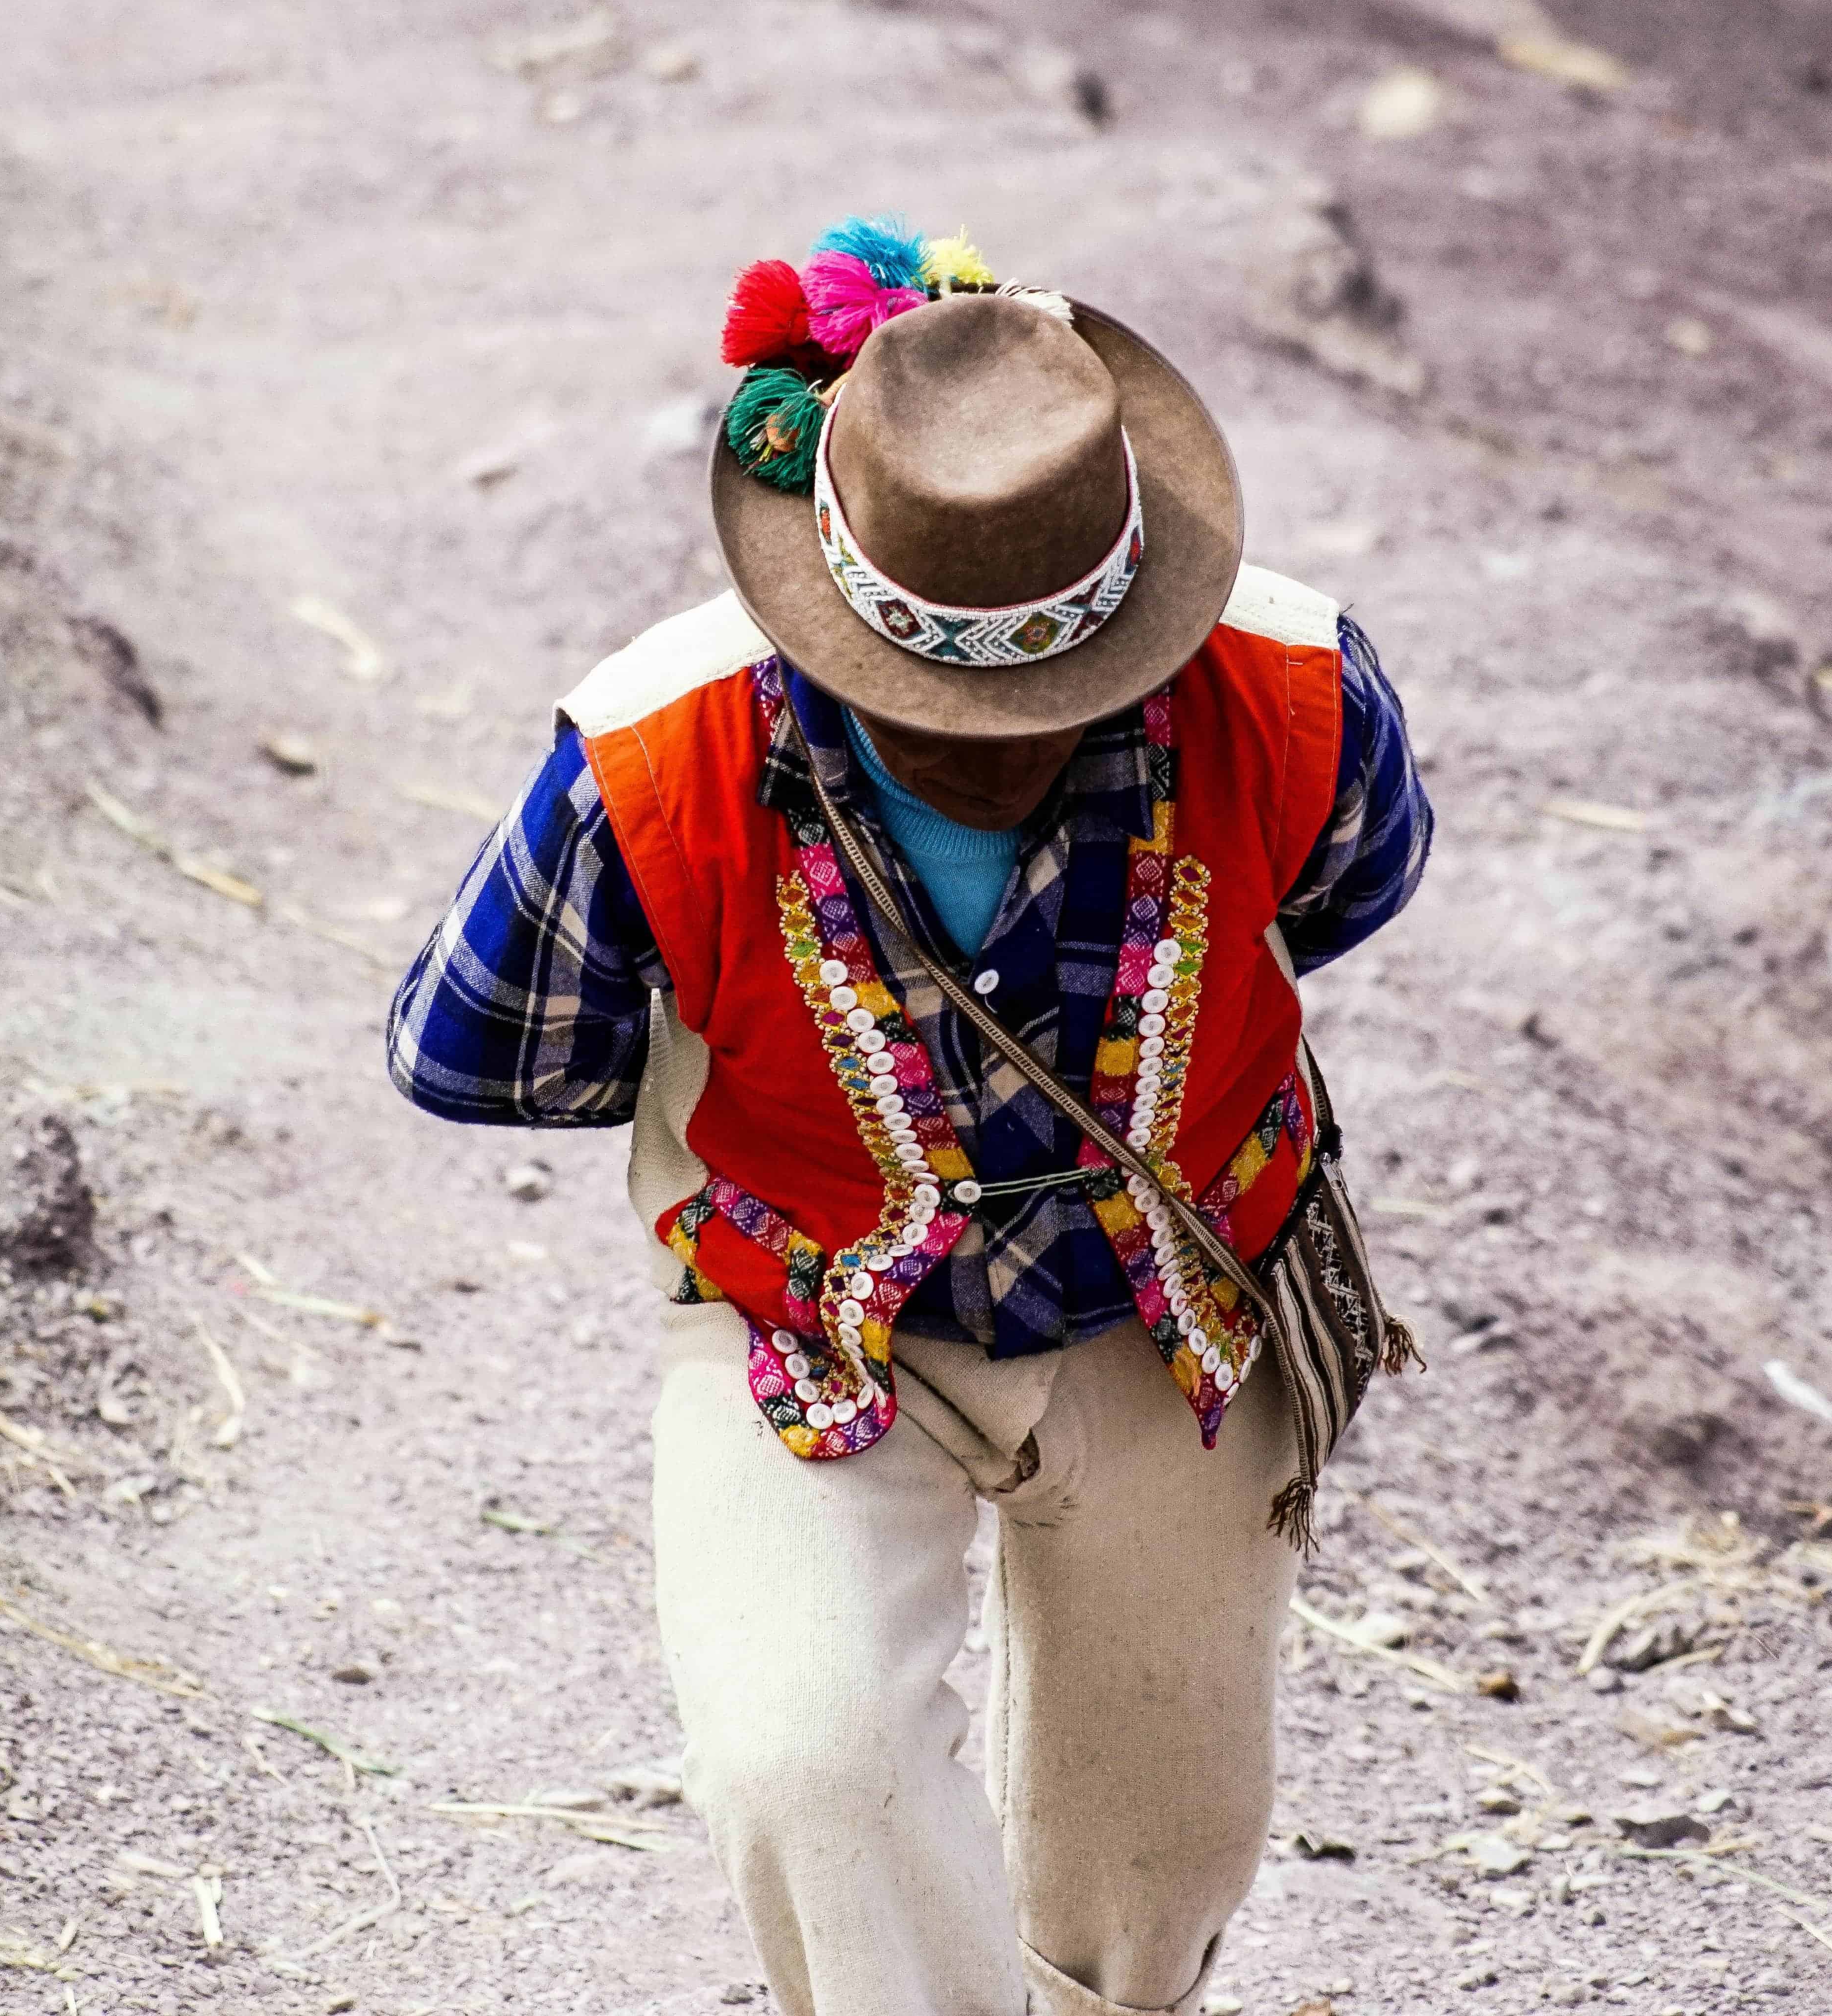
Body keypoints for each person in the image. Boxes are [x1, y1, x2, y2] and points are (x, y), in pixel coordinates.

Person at [389, 217, 1433, 2016]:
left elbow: (1336, 894)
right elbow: (473, 1045)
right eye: (932, 702)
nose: (993, 740)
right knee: (806, 1765)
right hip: (807, 1306)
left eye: (1042, 699)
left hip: (1176, 1302)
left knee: (1161, 1853)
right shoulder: (651, 751)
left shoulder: (1300, 687)